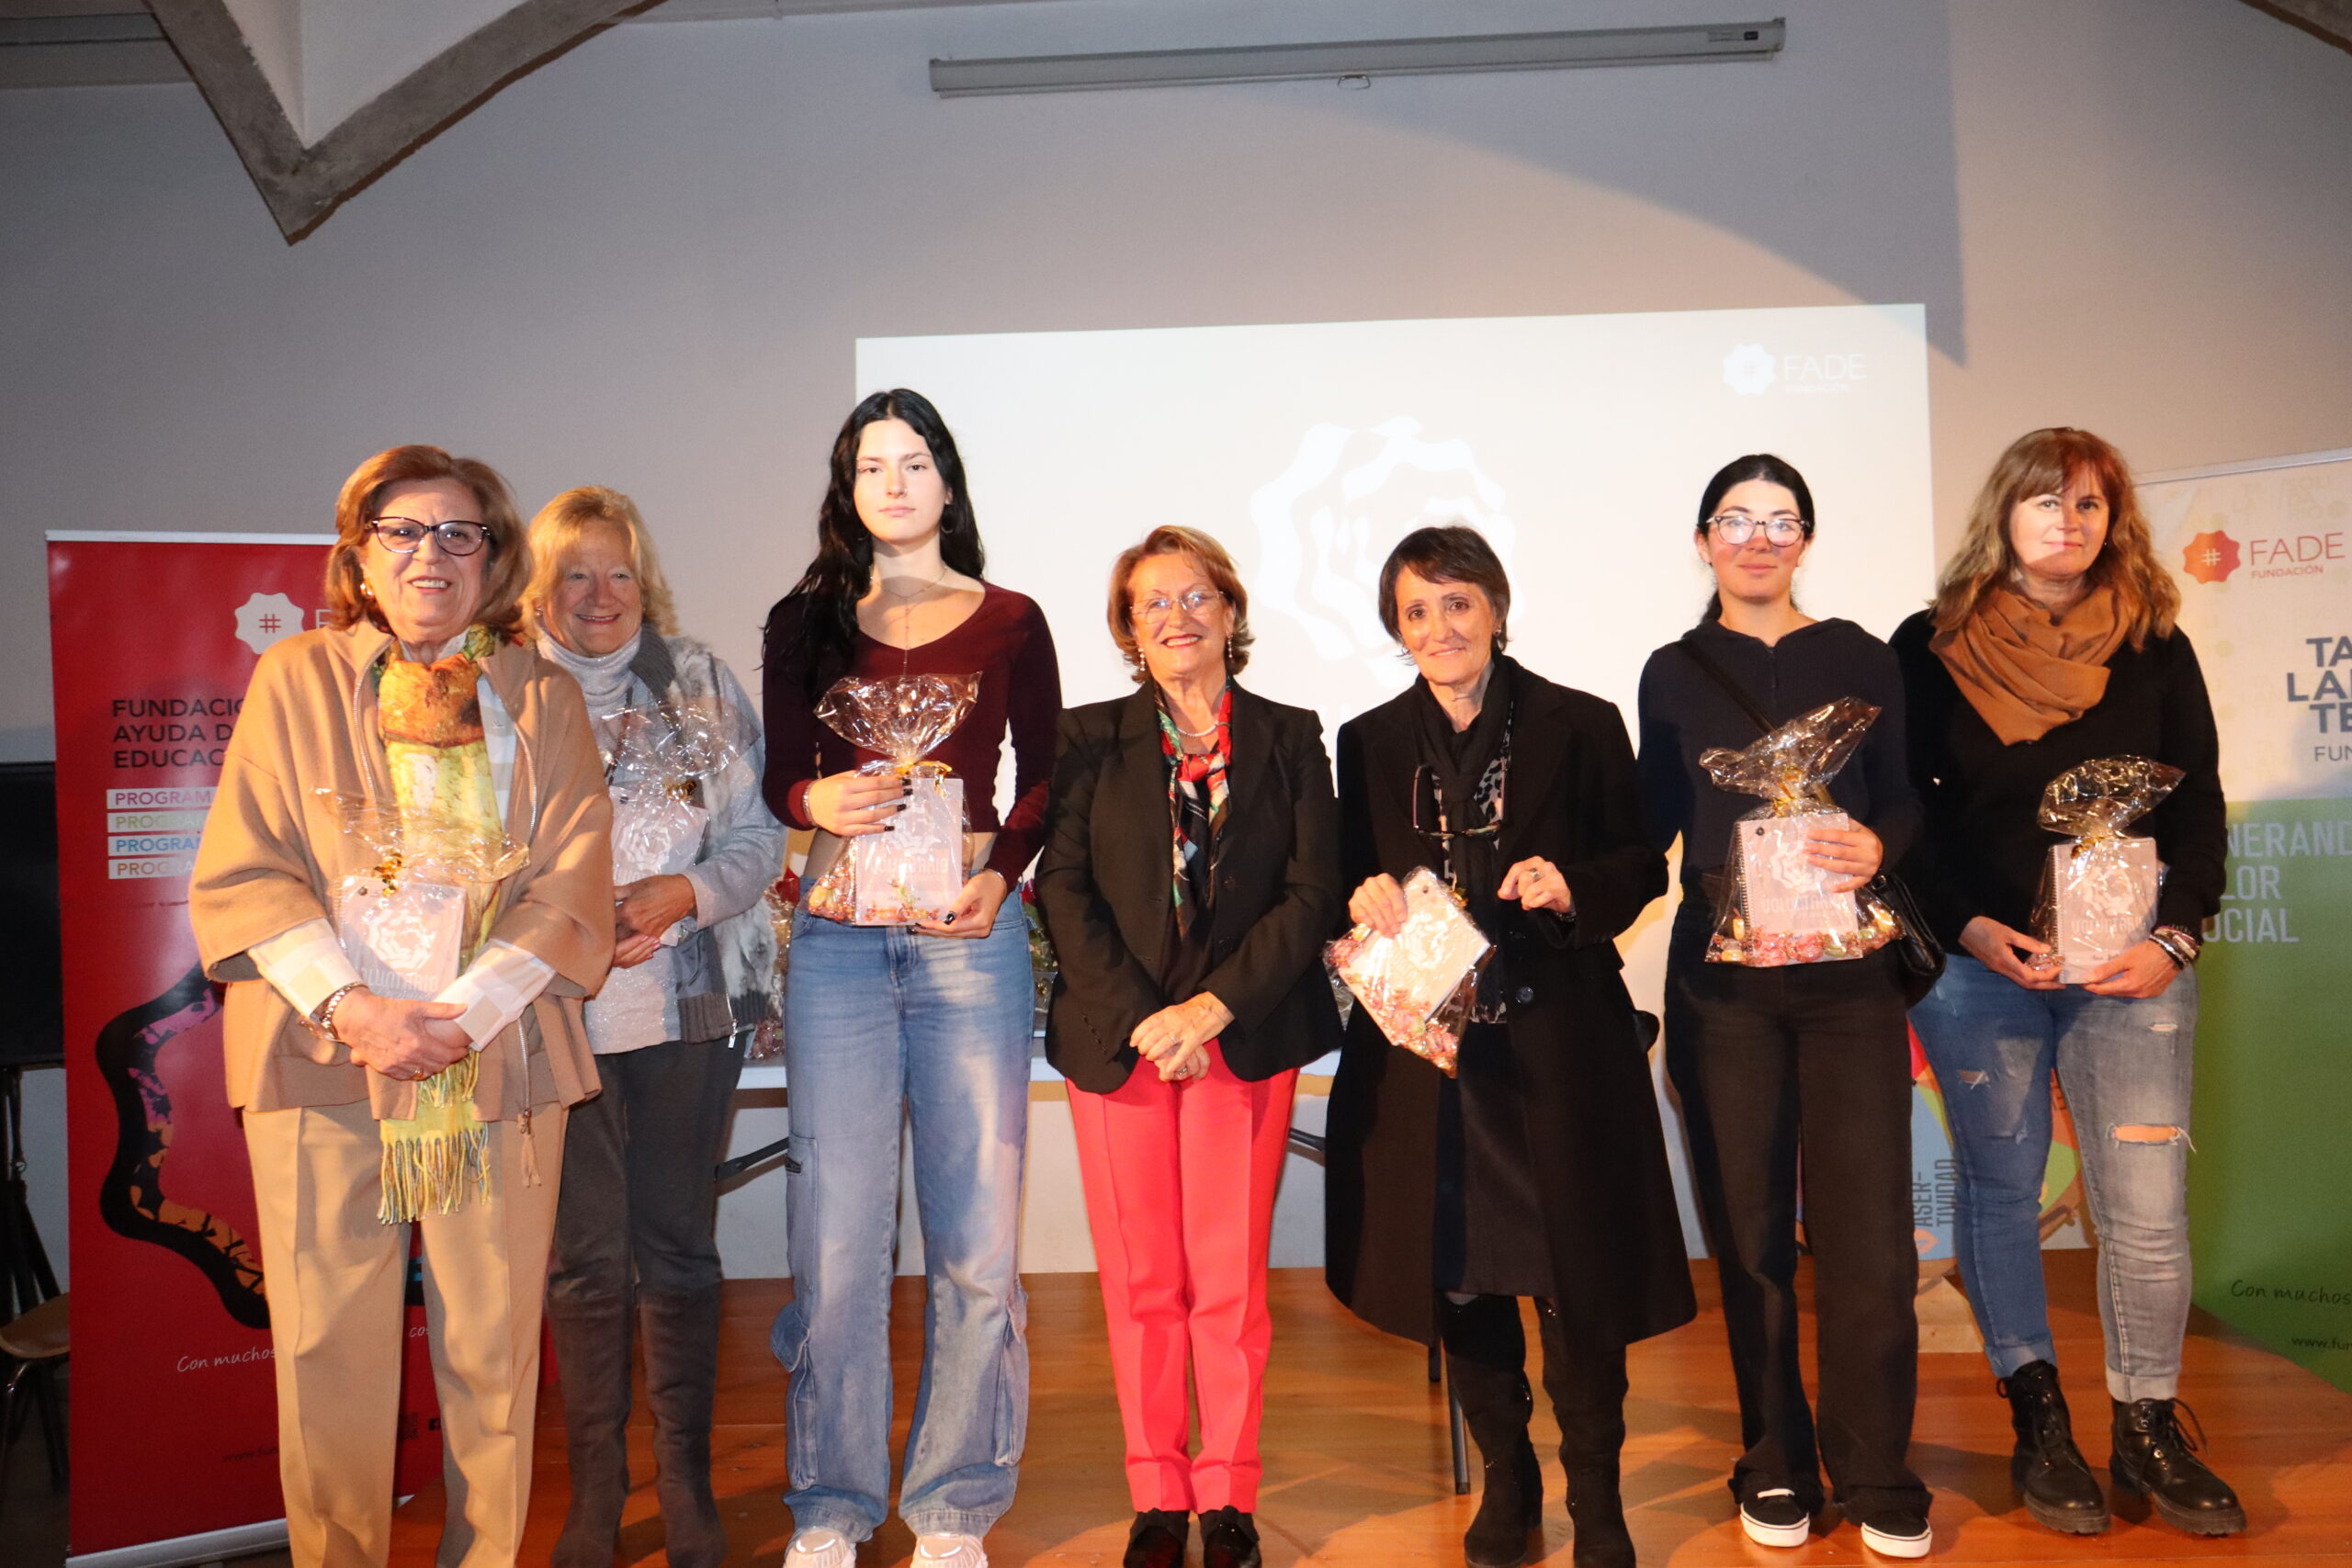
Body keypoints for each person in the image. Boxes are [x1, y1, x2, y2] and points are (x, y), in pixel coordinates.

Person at [189, 444, 613, 1568]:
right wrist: (356, 1010)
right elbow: (249, 868)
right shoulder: (294, 679)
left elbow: (573, 877)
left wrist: (463, 1012)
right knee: (325, 1348)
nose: (432, 554)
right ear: (361, 557)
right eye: (403, 531)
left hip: (500, 1056)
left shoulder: (544, 695)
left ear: (494, 556)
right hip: (323, 1054)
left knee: (493, 1354)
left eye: (459, 533)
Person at [1323, 525, 1693, 1568]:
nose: (1439, 627)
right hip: (1432, 1061)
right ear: (1397, 629)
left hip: (1559, 1047)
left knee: (1578, 1283)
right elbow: (1344, 876)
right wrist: (1361, 894)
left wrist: (1575, 886)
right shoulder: (1367, 739)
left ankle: (1597, 1493)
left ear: (1495, 607)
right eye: (1416, 611)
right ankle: (1508, 1477)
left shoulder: (1581, 721)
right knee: (1461, 1275)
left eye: (1457, 603)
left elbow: (1639, 863)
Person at [1894, 427, 2239, 1539]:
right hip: (1979, 969)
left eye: (2090, 504)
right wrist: (1968, 925)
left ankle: (2146, 1426)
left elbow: (2197, 806)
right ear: (2004, 514)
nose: (2068, 521)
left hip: (2130, 971)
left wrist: (2174, 939)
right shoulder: (1929, 645)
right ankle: (2037, 1417)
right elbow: (1910, 818)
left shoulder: (2154, 645)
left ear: (2113, 522)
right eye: (2046, 500)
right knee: (2000, 1192)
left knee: (2146, 1208)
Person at [760, 389, 1061, 1568]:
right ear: (847, 488)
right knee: (835, 1241)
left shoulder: (1012, 619)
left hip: (966, 936)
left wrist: (1002, 877)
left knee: (975, 1241)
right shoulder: (804, 621)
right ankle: (830, 1507)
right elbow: (782, 777)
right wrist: (812, 799)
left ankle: (953, 1505)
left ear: (947, 482)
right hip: (837, 941)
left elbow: (1046, 776)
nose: (894, 484)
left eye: (915, 462)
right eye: (871, 465)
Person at [1634, 455, 1932, 1559]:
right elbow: (1649, 823)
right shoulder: (1671, 673)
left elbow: (1905, 796)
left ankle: (1876, 1466)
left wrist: (1878, 844)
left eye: (1780, 521)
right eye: (1735, 520)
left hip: (1849, 979)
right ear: (1702, 539)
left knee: (1869, 1235)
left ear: (1805, 539)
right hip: (1723, 985)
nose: (1757, 539)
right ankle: (1775, 1460)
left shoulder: (1862, 655)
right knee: (1748, 1233)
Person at [1035, 527, 1344, 1568]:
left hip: (1242, 1037)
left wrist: (1210, 1009)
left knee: (1228, 1285)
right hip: (1120, 1046)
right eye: (1152, 602)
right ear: (1128, 628)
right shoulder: (1089, 737)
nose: (1177, 616)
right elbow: (1062, 888)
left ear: (1230, 610)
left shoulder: (1291, 736)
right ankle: (1159, 1498)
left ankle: (1228, 1497)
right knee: (1143, 1285)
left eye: (1196, 595)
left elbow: (1311, 892)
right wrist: (1148, 1019)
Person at [526, 486, 785, 1568]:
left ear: (647, 583)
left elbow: (759, 840)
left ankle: (684, 1480)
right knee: (584, 1263)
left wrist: (684, 895)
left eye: (619, 573)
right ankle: (597, 1492)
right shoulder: (503, 689)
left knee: (676, 1249)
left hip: (687, 1010)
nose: (600, 595)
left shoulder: (698, 679)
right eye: (575, 574)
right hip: (548, 1019)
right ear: (538, 588)